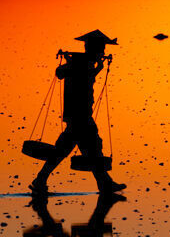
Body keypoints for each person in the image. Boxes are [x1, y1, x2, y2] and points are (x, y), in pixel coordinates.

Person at [30, 30, 126, 195]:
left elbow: (84, 79)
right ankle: (105, 184)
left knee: (75, 149)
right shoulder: (81, 62)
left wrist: (97, 68)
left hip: (79, 114)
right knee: (90, 148)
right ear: (93, 48)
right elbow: (62, 73)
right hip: (80, 115)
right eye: (101, 48)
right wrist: (72, 64)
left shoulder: (85, 63)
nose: (103, 52)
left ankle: (41, 180)